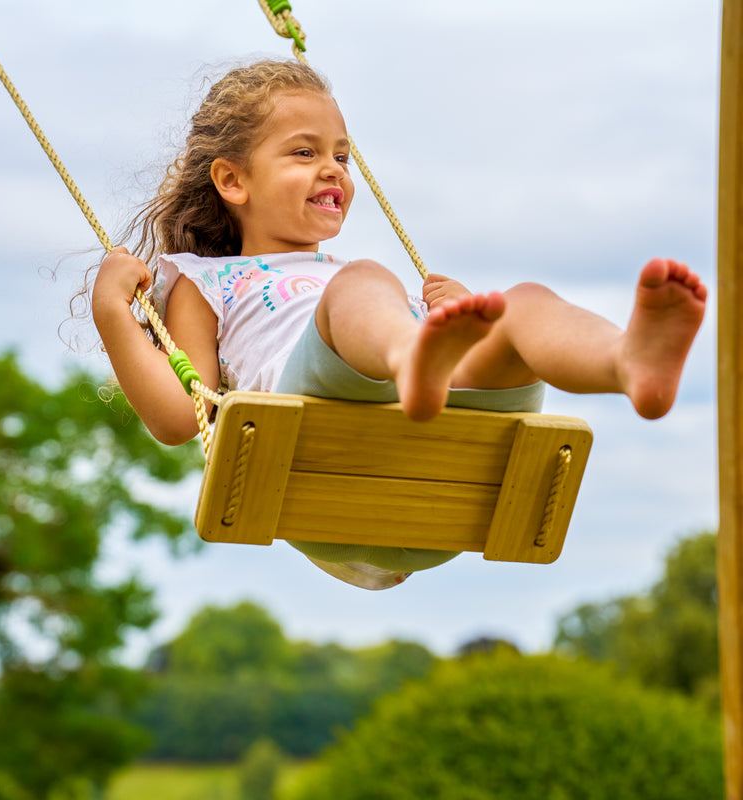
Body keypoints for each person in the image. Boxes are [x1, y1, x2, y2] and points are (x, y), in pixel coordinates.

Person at [91, 60, 707, 590]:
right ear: (232, 180)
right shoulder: (208, 280)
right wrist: (111, 314)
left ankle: (626, 361)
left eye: (341, 155)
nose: (333, 168)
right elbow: (180, 417)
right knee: (362, 283)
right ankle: (416, 357)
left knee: (521, 301)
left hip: (441, 484)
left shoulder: (355, 281)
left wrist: (468, 320)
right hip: (320, 451)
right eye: (304, 152)